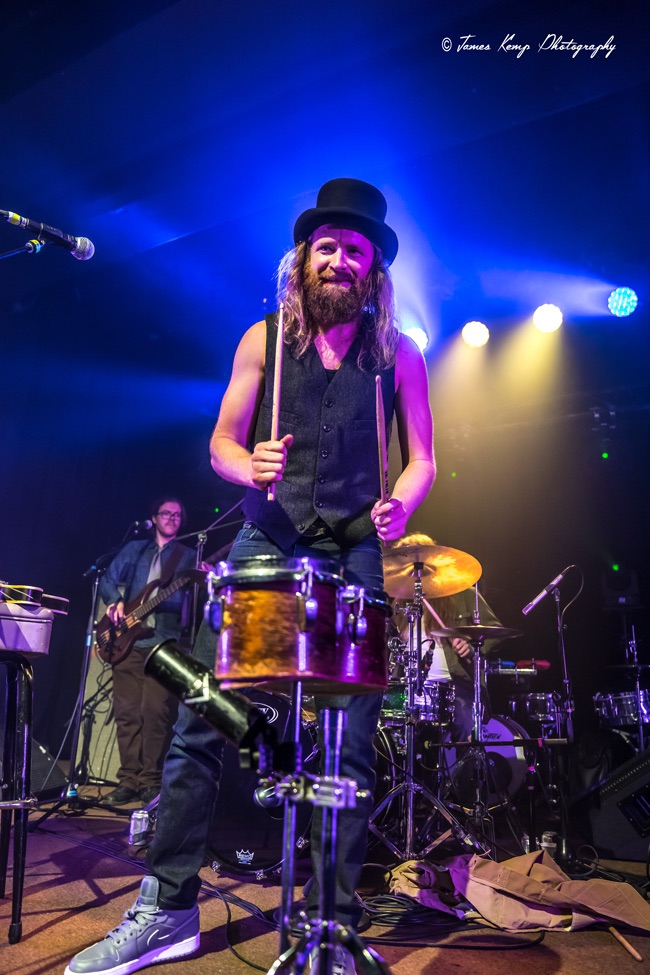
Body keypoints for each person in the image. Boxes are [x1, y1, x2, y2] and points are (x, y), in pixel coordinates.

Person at [66, 178, 435, 975]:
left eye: (355, 251)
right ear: (303, 259)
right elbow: (221, 443)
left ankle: (332, 928)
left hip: (353, 552)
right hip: (266, 540)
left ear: (373, 269)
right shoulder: (261, 339)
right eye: (327, 247)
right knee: (205, 720)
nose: (339, 261)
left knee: (348, 746)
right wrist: (250, 464)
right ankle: (167, 909)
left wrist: (401, 501)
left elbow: (424, 460)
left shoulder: (398, 354)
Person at [98, 497, 196, 806]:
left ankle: (150, 782)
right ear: (154, 518)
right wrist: (114, 601)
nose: (172, 518)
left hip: (164, 643)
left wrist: (202, 580)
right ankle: (127, 780)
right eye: (166, 513)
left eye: (177, 515)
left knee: (155, 713)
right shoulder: (135, 549)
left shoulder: (188, 556)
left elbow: (193, 601)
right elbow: (107, 579)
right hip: (127, 642)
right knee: (127, 714)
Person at [390, 532, 504, 745]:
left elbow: (495, 631)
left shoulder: (464, 594)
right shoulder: (399, 606)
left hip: (454, 689)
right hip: (410, 691)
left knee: (463, 726)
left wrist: (472, 644)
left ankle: (466, 765)